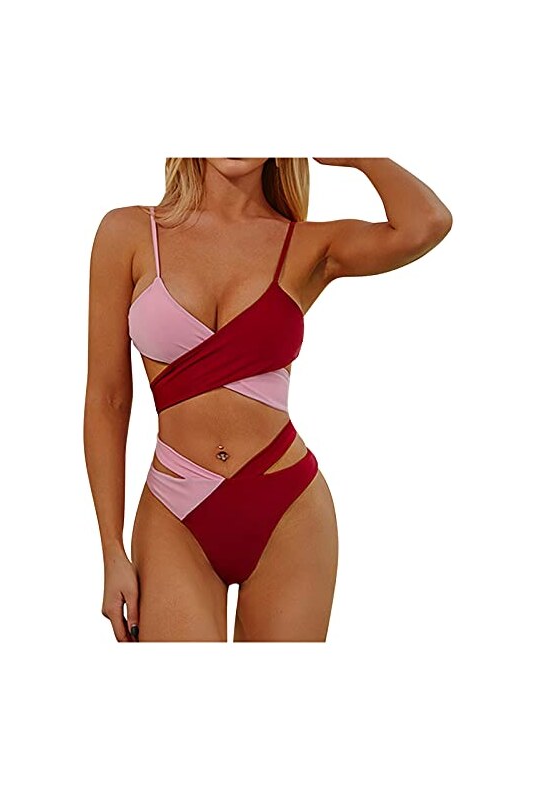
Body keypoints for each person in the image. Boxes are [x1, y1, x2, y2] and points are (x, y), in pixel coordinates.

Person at [84, 157, 452, 642]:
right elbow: (108, 399)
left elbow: (427, 223)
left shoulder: (306, 243)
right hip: (175, 513)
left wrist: (355, 151)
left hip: (288, 511)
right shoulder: (129, 233)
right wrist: (111, 549)